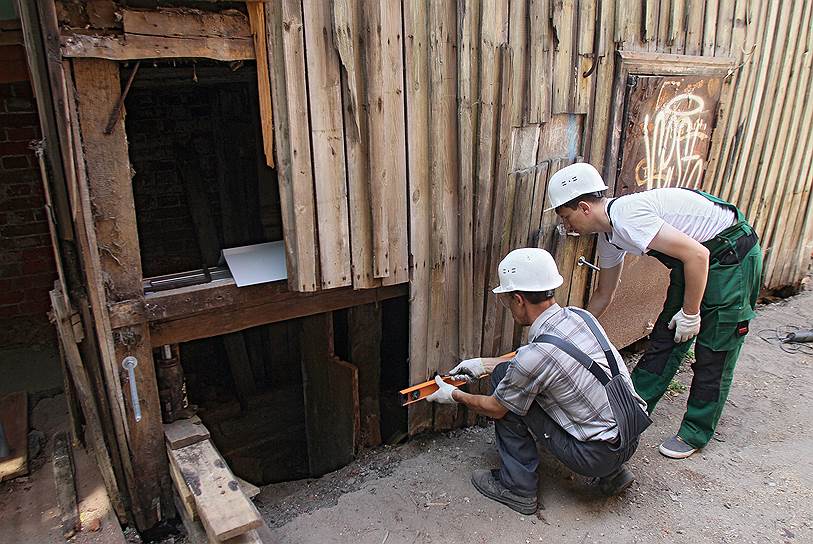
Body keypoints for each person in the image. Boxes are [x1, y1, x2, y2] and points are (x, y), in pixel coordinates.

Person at [546, 162, 762, 459]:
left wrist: (691, 313)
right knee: (666, 336)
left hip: (729, 255)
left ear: (584, 208)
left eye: (566, 217)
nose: (567, 227)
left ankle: (695, 431)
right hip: (693, 261)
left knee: (716, 347)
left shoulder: (628, 217)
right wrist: (571, 332)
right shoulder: (609, 235)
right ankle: (635, 406)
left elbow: (699, 254)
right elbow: (604, 294)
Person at [425, 248, 649, 515]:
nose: (509, 308)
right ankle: (614, 474)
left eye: (508, 301)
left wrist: (453, 396)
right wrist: (483, 364)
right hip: (629, 436)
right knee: (510, 372)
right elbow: (549, 358)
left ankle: (517, 488)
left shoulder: (535, 357)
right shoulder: (580, 316)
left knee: (503, 382)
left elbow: (498, 406)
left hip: (594, 456)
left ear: (519, 300)